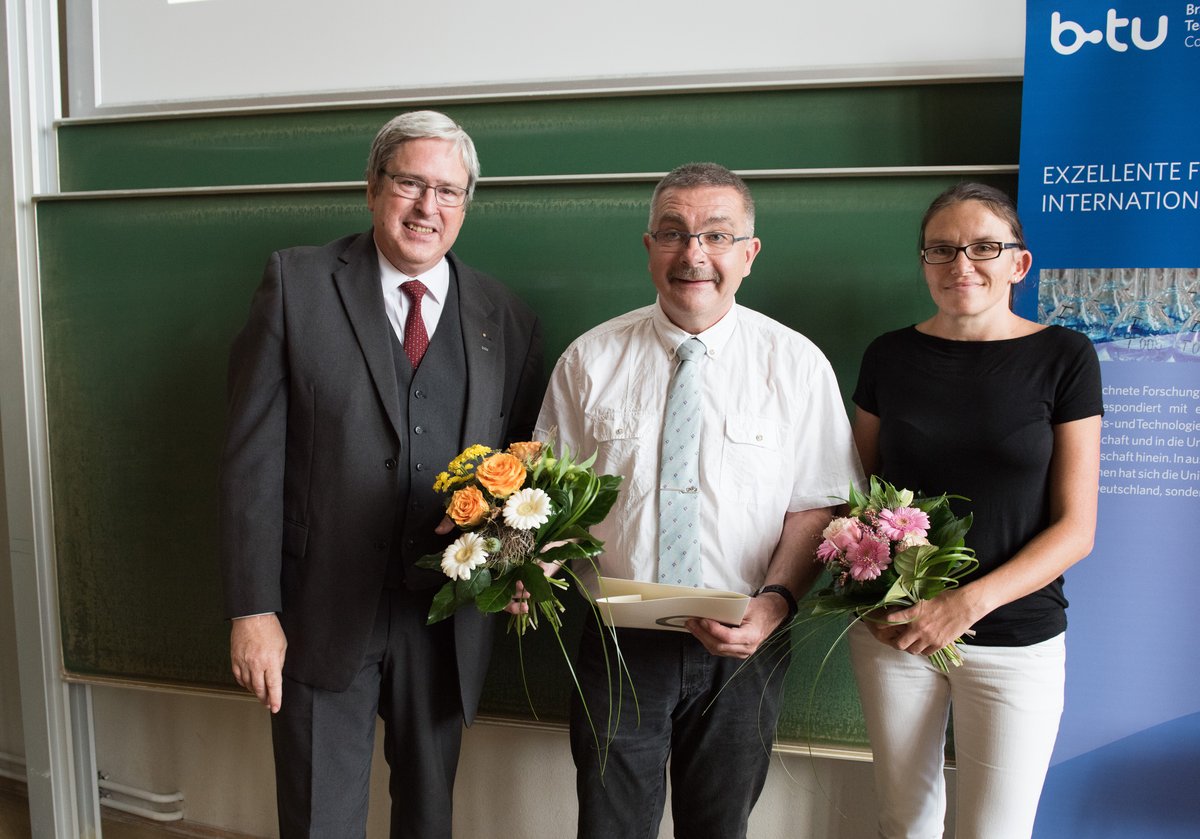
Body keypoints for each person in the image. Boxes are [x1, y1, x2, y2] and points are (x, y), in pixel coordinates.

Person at [218, 110, 543, 838]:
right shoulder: (295, 283)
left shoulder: (508, 317)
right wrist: (251, 609)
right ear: (372, 189)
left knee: (428, 820)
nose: (429, 207)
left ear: (466, 205)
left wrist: (517, 566)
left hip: (446, 620)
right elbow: (249, 459)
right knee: (317, 820)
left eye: (449, 191)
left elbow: (522, 474)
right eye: (410, 183)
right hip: (317, 614)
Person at [535, 162, 864, 839]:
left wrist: (773, 605)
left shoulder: (797, 364)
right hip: (618, 641)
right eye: (673, 233)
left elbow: (819, 506)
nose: (694, 254)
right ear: (649, 245)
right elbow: (550, 503)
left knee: (719, 828)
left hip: (747, 641)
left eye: (716, 235)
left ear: (749, 252)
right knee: (609, 827)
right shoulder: (587, 360)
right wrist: (527, 567)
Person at [849, 182, 1102, 839]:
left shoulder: (1065, 357)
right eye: (941, 249)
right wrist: (871, 597)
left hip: (1016, 637)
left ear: (1018, 262)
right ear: (924, 262)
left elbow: (1077, 528)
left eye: (983, 247)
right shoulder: (888, 356)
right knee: (904, 822)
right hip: (896, 634)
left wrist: (964, 605)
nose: (962, 264)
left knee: (997, 831)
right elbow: (859, 497)